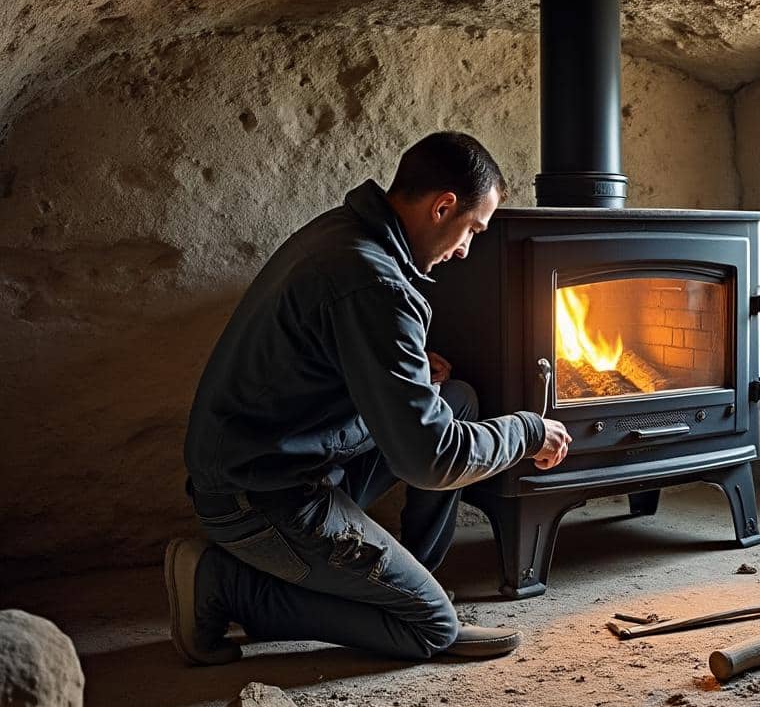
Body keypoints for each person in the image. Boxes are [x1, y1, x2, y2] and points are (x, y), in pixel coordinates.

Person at [166, 132, 571, 665]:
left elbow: (327, 358)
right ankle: (224, 585)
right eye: (472, 229)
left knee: (460, 398)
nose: (467, 249)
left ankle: (406, 581)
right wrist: (528, 430)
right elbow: (432, 457)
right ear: (443, 206)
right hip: (261, 496)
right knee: (430, 630)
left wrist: (409, 372)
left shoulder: (346, 232)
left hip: (285, 456)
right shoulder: (373, 283)